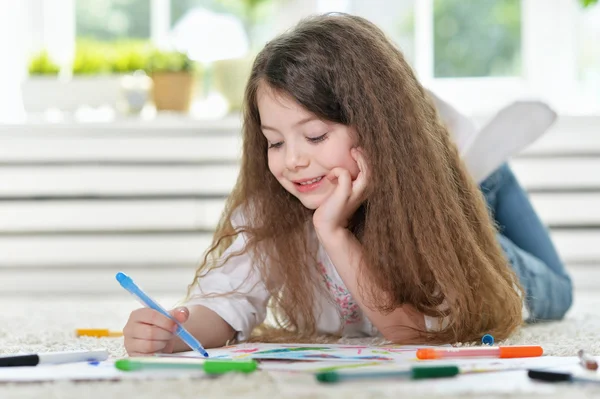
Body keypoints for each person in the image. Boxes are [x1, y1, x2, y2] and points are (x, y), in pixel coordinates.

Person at [123, 13, 572, 356]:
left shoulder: (423, 217)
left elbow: (411, 335)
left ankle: (480, 172)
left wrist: (334, 234)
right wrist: (173, 331)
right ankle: (461, 162)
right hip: (421, 177)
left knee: (556, 291)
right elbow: (227, 303)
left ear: (376, 130)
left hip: (463, 234)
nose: (294, 160)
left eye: (315, 136)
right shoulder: (272, 208)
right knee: (456, 178)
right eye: (274, 142)